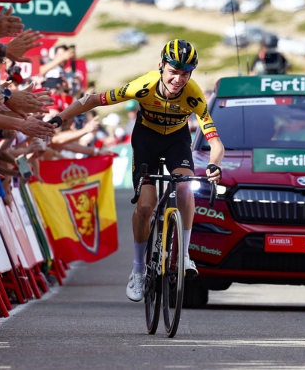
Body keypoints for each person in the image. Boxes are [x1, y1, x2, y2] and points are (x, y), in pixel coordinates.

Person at [47, 39, 224, 302]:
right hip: (146, 142)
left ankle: (185, 255)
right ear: (161, 66)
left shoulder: (194, 94)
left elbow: (215, 142)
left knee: (186, 187)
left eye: (185, 73)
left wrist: (214, 165)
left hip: (177, 142)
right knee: (145, 208)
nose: (178, 78)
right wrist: (58, 118)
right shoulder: (143, 86)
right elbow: (93, 100)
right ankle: (139, 270)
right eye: (173, 71)